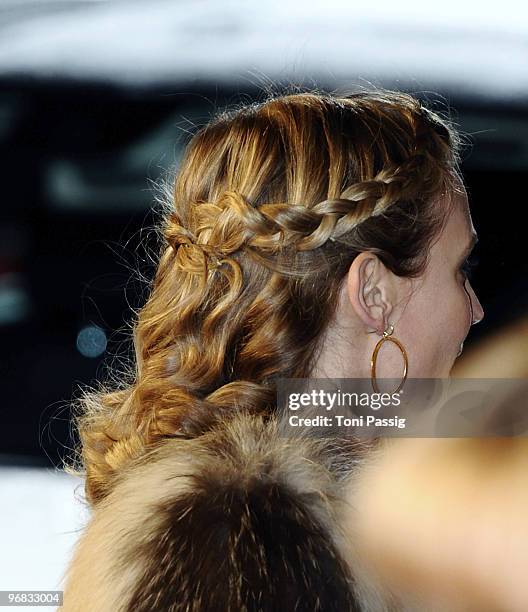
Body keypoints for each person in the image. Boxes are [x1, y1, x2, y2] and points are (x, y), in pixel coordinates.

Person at [59, 88, 485, 611]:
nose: (475, 309)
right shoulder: (244, 541)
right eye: (460, 270)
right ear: (373, 292)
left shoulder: (250, 525)